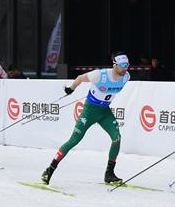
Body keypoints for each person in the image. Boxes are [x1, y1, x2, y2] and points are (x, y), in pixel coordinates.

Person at [41, 53, 131, 186]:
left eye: (127, 65)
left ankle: (109, 173)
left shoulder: (126, 77)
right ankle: (50, 170)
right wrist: (71, 88)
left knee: (117, 138)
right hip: (90, 111)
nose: (125, 69)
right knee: (74, 140)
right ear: (115, 65)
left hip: (105, 112)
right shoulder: (100, 75)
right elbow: (80, 78)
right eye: (123, 66)